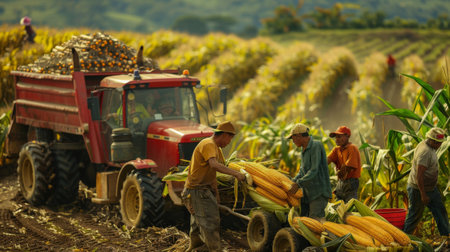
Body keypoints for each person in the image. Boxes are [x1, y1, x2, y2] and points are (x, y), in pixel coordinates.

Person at [182, 121, 245, 252]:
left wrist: (216, 193)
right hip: (197, 190)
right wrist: (236, 174)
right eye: (230, 138)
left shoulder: (217, 148)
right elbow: (214, 165)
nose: (229, 142)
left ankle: (195, 247)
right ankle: (215, 249)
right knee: (210, 222)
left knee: (197, 222)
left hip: (202, 189)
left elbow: (212, 174)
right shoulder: (208, 144)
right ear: (223, 135)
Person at [403, 127, 449, 237]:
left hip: (430, 188)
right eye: (438, 143)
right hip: (418, 189)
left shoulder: (429, 145)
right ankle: (404, 239)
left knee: (440, 209)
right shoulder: (425, 152)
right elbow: (419, 176)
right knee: (415, 215)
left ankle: (446, 236)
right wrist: (423, 195)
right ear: (432, 140)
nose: (440, 146)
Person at [287, 123, 332, 218]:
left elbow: (313, 170)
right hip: (308, 194)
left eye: (293, 138)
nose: (293, 142)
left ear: (299, 136)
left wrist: (298, 183)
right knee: (303, 221)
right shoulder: (303, 150)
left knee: (314, 221)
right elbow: (302, 172)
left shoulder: (316, 145)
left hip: (318, 193)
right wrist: (291, 182)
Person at [327, 126, 362, 203]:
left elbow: (348, 167)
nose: (337, 139)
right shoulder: (337, 149)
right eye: (336, 137)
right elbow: (326, 161)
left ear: (347, 136)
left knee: (350, 205)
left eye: (339, 137)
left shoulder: (352, 148)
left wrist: (340, 172)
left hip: (351, 182)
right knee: (339, 207)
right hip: (341, 182)